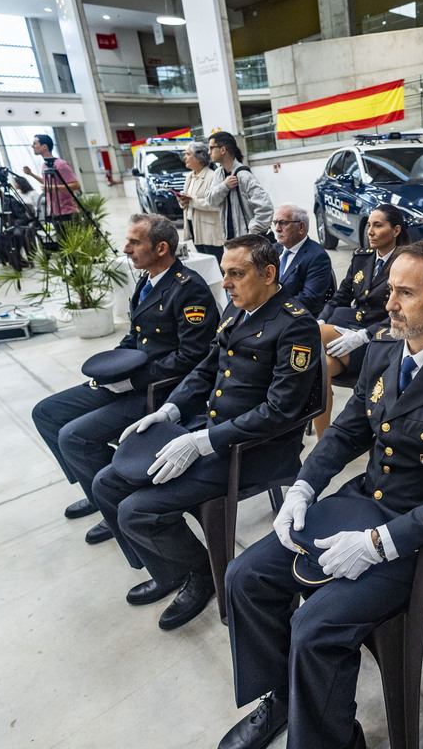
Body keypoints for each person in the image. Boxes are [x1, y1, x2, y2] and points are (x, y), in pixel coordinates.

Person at [217, 240, 423, 749]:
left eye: (404, 293)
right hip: (365, 500)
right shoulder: (383, 349)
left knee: (314, 627)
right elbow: (349, 431)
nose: (389, 304)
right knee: (244, 576)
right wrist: (305, 485)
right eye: (389, 290)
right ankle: (285, 698)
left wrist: (380, 544)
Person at [91, 234, 320, 631]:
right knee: (106, 484)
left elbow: (281, 410)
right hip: (208, 428)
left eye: (236, 274)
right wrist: (169, 410)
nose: (226, 284)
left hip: (250, 450)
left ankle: (201, 575)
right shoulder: (237, 310)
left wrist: (202, 442)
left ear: (268, 274)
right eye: (224, 274)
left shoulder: (295, 326)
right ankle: (168, 570)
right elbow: (206, 369)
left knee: (136, 510)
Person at [32, 214, 218, 545]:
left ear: (161, 248)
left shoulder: (189, 290)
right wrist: (111, 370)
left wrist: (131, 382)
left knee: (74, 436)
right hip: (131, 381)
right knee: (47, 412)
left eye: (134, 242)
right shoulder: (148, 281)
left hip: (159, 393)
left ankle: (111, 499)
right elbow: (135, 339)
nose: (125, 248)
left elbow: (193, 358)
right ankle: (97, 494)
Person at [313, 203, 410, 436]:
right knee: (319, 367)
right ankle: (324, 437)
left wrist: (364, 335)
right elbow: (340, 297)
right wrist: (321, 318)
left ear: (396, 230)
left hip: (384, 339)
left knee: (307, 335)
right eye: (369, 225)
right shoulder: (362, 258)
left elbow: (404, 312)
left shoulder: (407, 262)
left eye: (378, 225)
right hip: (348, 331)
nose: (370, 231)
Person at [176, 131, 273, 256]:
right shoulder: (219, 174)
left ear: (223, 150)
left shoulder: (243, 175)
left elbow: (266, 207)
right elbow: (211, 200)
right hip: (230, 241)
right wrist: (224, 186)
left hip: (247, 243)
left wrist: (252, 232)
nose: (209, 152)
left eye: (211, 148)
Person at [272, 202, 333, 311]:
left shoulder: (317, 257)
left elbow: (309, 300)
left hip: (293, 318)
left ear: (301, 227)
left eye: (282, 223)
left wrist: (269, 304)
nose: (277, 229)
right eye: (275, 223)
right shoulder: (273, 249)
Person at [173, 141, 222, 259]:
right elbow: (188, 199)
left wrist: (192, 201)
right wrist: (182, 201)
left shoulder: (213, 176)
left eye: (188, 154)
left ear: (199, 158)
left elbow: (217, 204)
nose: (185, 157)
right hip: (193, 226)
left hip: (209, 230)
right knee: (203, 261)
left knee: (216, 262)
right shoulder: (190, 176)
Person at [22, 134, 81, 221]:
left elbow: (76, 185)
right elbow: (47, 183)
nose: (32, 146)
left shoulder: (61, 164)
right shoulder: (44, 165)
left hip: (67, 212)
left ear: (44, 146)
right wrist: (32, 174)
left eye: (35, 143)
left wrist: (54, 188)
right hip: (53, 211)